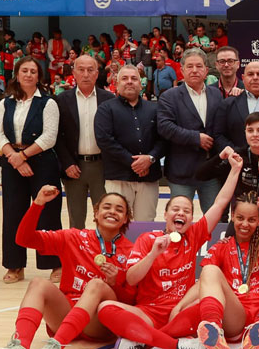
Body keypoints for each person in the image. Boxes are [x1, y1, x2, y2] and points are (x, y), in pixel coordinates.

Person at [98, 156, 244, 349]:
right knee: (105, 309)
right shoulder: (148, 239)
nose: (181, 214)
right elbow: (131, 278)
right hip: (148, 314)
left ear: (191, 219)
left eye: (187, 211)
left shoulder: (194, 234)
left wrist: (235, 169)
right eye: (176, 209)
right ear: (165, 215)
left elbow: (220, 203)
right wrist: (153, 254)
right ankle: (176, 345)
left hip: (180, 312)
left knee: (211, 305)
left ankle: (145, 341)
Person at [0, 187, 133, 349]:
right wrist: (38, 204)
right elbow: (23, 239)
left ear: (125, 219)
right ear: (96, 213)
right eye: (107, 207)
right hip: (66, 313)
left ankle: (56, 346)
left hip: (98, 324)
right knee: (38, 283)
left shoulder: (132, 251)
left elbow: (133, 303)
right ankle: (20, 347)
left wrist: (116, 282)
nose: (112, 212)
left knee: (97, 285)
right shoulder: (73, 237)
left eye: (119, 210)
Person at [175, 192, 259, 349]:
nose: (245, 224)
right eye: (240, 218)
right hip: (236, 316)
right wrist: (180, 305)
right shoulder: (222, 246)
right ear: (232, 217)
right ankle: (213, 328)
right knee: (209, 270)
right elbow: (204, 282)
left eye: (251, 220)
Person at [0, 56, 63, 285]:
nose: (29, 75)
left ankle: (54, 264)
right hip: (12, 162)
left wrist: (22, 156)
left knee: (48, 213)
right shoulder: (6, 103)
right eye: (24, 70)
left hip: (42, 162)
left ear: (39, 76)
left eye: (33, 71)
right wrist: (14, 158)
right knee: (13, 213)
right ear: (17, 74)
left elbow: (49, 137)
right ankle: (15, 265)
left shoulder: (48, 102)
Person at [94, 65, 165, 222]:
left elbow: (164, 139)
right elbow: (105, 140)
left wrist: (150, 159)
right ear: (117, 84)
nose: (129, 82)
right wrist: (135, 163)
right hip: (118, 178)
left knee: (145, 225)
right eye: (124, 79)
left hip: (149, 178)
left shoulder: (155, 109)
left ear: (141, 84)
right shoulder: (106, 109)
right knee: (117, 224)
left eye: (134, 79)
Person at [156, 48, 223, 211]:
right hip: (181, 171)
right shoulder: (169, 96)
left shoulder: (216, 94)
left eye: (199, 66)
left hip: (211, 171)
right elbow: (165, 127)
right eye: (190, 66)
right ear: (182, 70)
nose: (194, 70)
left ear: (206, 70)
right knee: (179, 219)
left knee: (215, 219)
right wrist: (196, 138)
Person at [55, 55, 112, 229]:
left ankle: (105, 254)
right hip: (74, 168)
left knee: (105, 217)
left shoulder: (109, 99)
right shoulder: (61, 100)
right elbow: (57, 136)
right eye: (81, 70)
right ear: (73, 73)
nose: (86, 74)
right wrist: (67, 163)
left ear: (97, 73)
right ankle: (75, 256)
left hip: (102, 166)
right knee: (76, 219)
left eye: (90, 70)